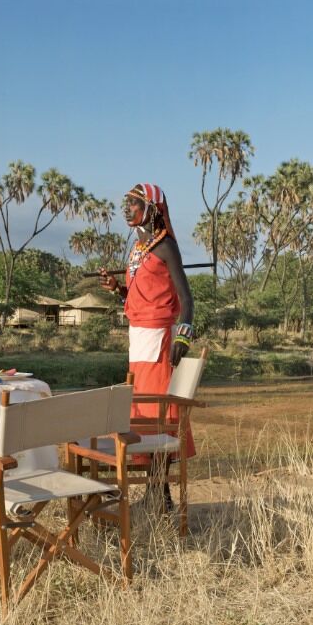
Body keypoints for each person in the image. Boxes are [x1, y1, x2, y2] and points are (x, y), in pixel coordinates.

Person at [99, 183, 196, 468]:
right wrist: (118, 289)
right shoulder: (139, 248)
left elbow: (186, 299)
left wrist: (183, 336)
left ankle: (160, 493)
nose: (127, 210)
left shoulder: (166, 246)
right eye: (125, 204)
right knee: (139, 408)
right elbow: (141, 297)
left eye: (134, 204)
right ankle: (157, 495)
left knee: (157, 411)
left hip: (159, 339)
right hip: (139, 338)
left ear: (152, 209)